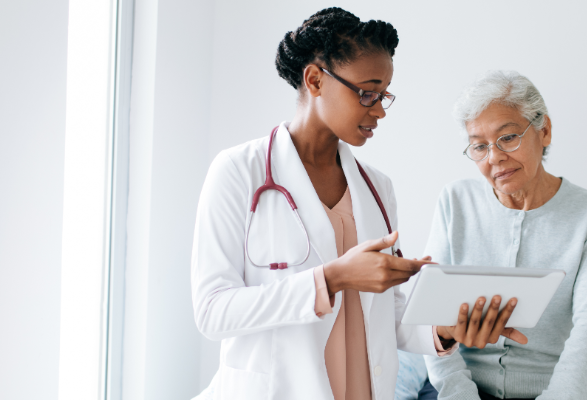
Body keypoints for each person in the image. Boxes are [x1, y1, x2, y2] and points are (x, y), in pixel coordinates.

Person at [190, 9, 524, 400]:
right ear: (315, 80)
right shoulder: (237, 172)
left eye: (384, 96)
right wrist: (332, 278)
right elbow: (213, 312)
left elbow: (384, 318)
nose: (380, 109)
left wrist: (447, 329)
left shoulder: (378, 188)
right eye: (367, 93)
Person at [414, 70, 587, 400]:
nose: (494, 157)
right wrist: (459, 394)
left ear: (545, 131)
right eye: (479, 146)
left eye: (508, 138)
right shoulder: (455, 201)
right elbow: (428, 317)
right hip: (459, 387)